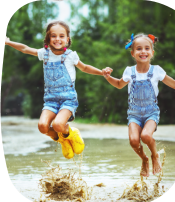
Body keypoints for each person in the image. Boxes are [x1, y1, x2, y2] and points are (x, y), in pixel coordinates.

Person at [4, 20, 104, 159]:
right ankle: (62, 140)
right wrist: (8, 42)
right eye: (54, 36)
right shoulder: (44, 54)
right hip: (50, 100)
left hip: (68, 100)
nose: (58, 39)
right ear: (48, 38)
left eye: (61, 36)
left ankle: (71, 132)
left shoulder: (70, 56)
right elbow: (25, 49)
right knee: (42, 126)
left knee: (57, 124)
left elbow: (85, 67)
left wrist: (102, 72)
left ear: (67, 39)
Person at [102, 33, 175, 177]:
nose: (143, 51)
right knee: (133, 141)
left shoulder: (156, 70)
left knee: (145, 136)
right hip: (134, 113)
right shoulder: (129, 71)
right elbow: (119, 85)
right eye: (139, 49)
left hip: (151, 112)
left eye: (147, 48)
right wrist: (108, 77)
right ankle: (144, 159)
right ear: (133, 53)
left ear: (152, 52)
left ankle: (154, 155)